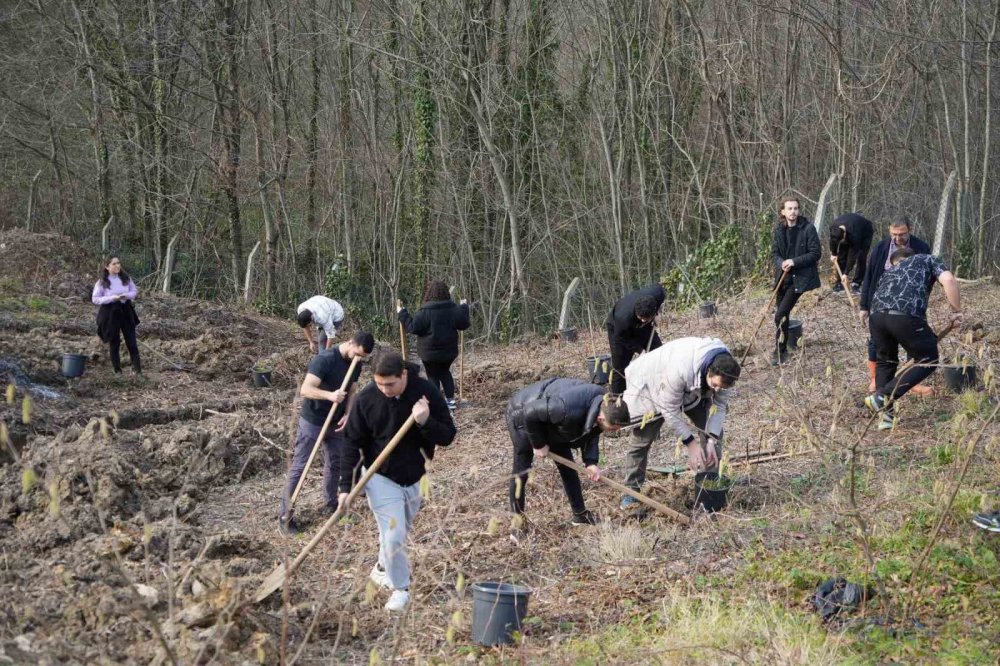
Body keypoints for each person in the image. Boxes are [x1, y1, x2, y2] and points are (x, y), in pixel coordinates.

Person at [338, 351, 456, 612]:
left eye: (389, 384)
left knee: (397, 533)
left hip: (416, 476)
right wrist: (345, 487)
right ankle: (401, 589)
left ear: (403, 375)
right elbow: (351, 444)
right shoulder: (367, 398)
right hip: (380, 477)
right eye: (379, 384)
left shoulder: (426, 393)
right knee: (394, 536)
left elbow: (448, 435)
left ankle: (382, 566)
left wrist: (425, 421)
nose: (384, 390)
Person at [620, 337, 741, 509]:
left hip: (695, 392)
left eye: (722, 388)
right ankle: (630, 492)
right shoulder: (679, 369)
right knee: (641, 441)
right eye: (715, 385)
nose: (718, 390)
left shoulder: (727, 371)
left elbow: (719, 406)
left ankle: (708, 485)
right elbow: (669, 409)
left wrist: (712, 439)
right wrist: (690, 443)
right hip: (654, 384)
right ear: (710, 372)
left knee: (713, 438)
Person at [277, 331, 374, 536]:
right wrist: (330, 395)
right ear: (350, 343)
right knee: (301, 466)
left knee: (335, 462)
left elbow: (353, 389)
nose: (359, 358)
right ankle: (285, 516)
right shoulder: (325, 360)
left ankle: (330, 503)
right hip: (313, 421)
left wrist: (348, 413)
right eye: (357, 353)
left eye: (363, 357)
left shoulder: (357, 364)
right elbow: (306, 389)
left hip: (336, 422)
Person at [506, 378, 631, 530]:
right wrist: (538, 444)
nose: (615, 432)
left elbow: (592, 431)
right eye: (613, 428)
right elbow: (530, 412)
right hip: (522, 415)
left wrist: (590, 462)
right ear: (601, 418)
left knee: (568, 468)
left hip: (552, 422)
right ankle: (516, 525)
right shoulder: (564, 407)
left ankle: (580, 515)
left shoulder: (604, 404)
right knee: (521, 472)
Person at [862, 247, 962, 430]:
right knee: (929, 359)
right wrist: (956, 311)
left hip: (876, 316)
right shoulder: (929, 259)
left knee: (886, 362)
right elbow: (948, 279)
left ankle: (886, 417)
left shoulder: (890, 271)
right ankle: (882, 397)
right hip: (904, 315)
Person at [859, 215, 933, 394]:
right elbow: (870, 276)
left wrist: (921, 301)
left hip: (909, 305)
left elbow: (927, 278)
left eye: (902, 234)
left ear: (910, 230)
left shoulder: (921, 248)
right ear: (889, 231)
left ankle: (910, 380)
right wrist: (864, 306)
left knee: (912, 342)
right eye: (894, 234)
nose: (898, 238)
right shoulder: (881, 247)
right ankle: (876, 380)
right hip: (881, 302)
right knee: (877, 344)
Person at [397, 280, 471, 410]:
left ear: (428, 294)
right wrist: (464, 307)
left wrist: (402, 313)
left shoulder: (424, 312)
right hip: (448, 352)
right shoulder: (453, 309)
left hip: (428, 353)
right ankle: (450, 401)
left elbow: (413, 327)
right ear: (446, 293)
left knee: (432, 376)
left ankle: (436, 401)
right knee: (445, 373)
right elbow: (464, 324)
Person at [770, 197, 821, 365]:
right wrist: (781, 263)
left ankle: (780, 351)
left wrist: (794, 261)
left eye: (796, 208)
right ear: (783, 212)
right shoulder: (778, 230)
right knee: (782, 315)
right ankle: (781, 346)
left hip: (800, 279)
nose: (793, 212)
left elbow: (815, 253)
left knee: (780, 314)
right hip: (782, 278)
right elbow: (775, 253)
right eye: (789, 209)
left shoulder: (808, 229)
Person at [605, 284, 666, 393]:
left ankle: (661, 385)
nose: (643, 321)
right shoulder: (622, 318)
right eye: (641, 318)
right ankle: (617, 397)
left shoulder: (657, 293)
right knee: (620, 367)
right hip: (619, 332)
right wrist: (639, 350)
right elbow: (620, 338)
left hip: (644, 327)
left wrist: (657, 314)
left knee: (659, 352)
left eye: (646, 319)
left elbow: (661, 293)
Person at [92, 256, 141, 375]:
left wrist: (126, 295)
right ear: (107, 266)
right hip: (111, 314)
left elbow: (134, 292)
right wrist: (111, 298)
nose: (117, 266)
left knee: (132, 342)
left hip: (126, 311)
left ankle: (137, 371)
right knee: (114, 343)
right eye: (114, 264)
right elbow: (95, 299)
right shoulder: (102, 282)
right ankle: (117, 372)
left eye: (118, 263)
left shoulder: (125, 278)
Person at [829, 213, 874, 293]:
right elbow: (833, 241)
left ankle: (856, 283)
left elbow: (852, 256)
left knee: (861, 257)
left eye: (842, 240)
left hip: (865, 232)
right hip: (850, 228)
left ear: (845, 234)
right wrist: (833, 253)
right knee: (842, 256)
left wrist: (846, 273)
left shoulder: (854, 235)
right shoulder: (833, 227)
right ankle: (840, 283)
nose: (842, 242)